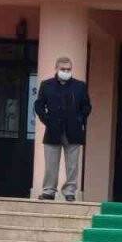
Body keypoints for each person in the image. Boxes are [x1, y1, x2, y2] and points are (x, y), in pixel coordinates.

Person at [33, 56, 91, 201]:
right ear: (56, 68)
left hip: (73, 131)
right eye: (63, 69)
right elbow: (39, 105)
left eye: (68, 69)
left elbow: (87, 106)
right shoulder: (47, 85)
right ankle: (49, 191)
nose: (66, 71)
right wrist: (47, 120)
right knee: (50, 164)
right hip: (53, 130)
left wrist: (79, 120)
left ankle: (70, 192)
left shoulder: (80, 86)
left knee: (72, 165)